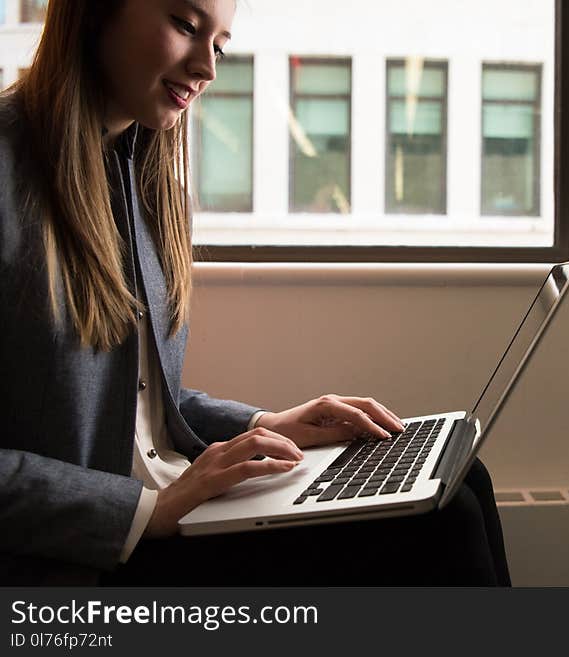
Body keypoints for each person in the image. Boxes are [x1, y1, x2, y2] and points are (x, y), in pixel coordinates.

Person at [0, 0, 510, 586]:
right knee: (444, 526)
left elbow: (127, 404)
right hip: (84, 556)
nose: (206, 69)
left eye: (218, 45)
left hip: (168, 508)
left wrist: (268, 422)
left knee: (462, 481)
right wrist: (147, 510)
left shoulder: (137, 171)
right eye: (186, 27)